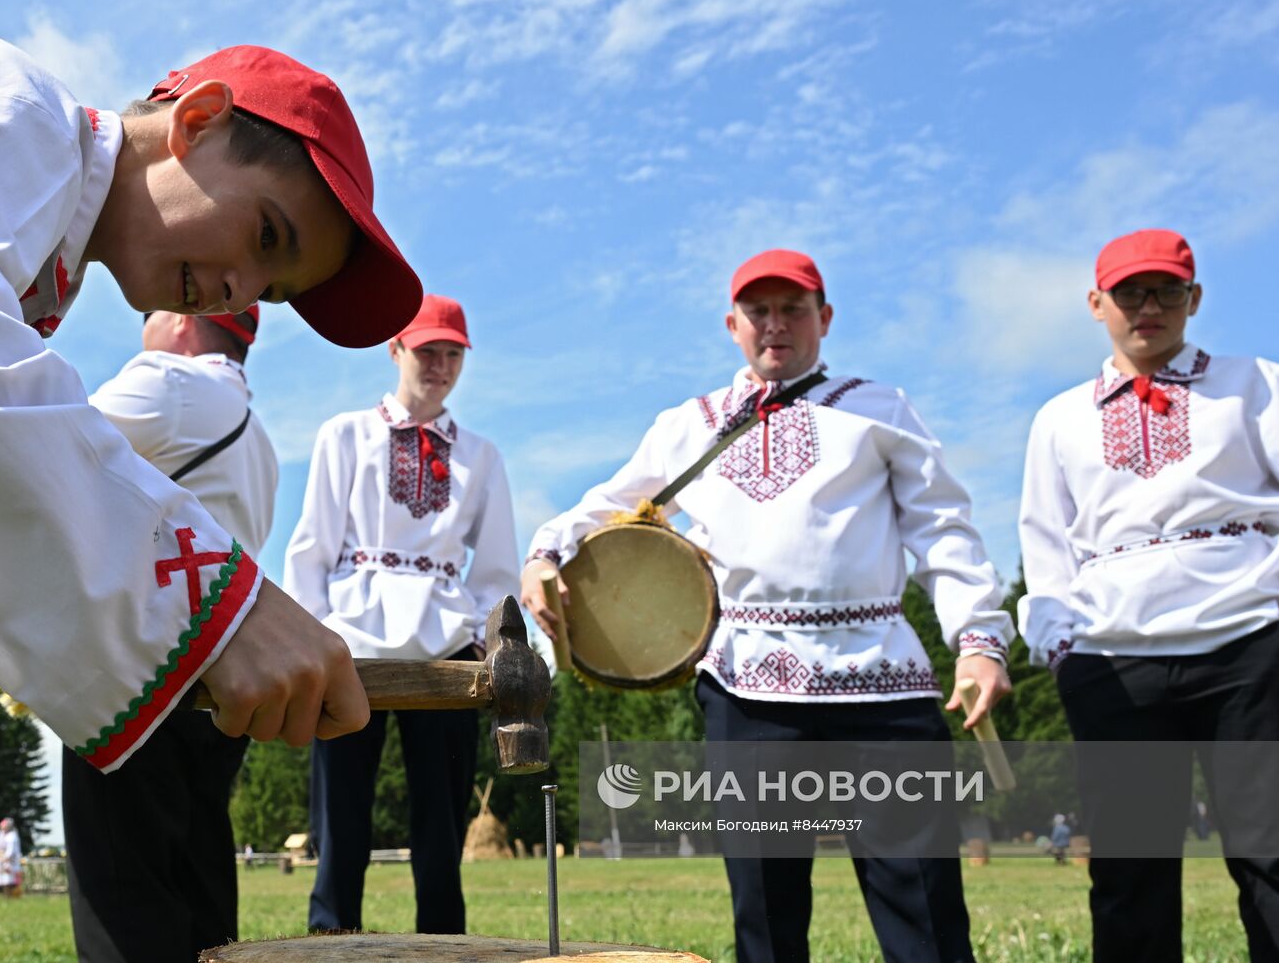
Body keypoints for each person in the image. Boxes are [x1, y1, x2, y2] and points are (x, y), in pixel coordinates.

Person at [522, 249, 1014, 963]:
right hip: (749, 686)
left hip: (879, 679)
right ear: (733, 324)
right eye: (759, 312)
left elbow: (943, 527)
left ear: (826, 318)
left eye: (794, 309)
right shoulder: (687, 425)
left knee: (924, 907)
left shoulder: (879, 408)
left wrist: (977, 639)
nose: (776, 325)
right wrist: (544, 553)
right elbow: (605, 507)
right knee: (765, 911)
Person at [0, 26, 425, 771]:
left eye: (269, 291)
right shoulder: (17, 118)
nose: (239, 290)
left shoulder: (44, 243)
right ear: (198, 119)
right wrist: (215, 602)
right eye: (266, 234)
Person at [1018, 228, 1279, 961]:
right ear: (1097, 302)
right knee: (1131, 871)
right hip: (1114, 655)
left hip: (1251, 639)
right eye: (1130, 292)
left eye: (1167, 290)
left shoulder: (1256, 382)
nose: (1149, 306)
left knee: (1270, 855)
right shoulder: (1060, 418)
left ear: (1194, 298)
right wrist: (1062, 648)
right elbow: (1046, 544)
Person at [285, 294, 519, 934]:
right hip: (351, 648)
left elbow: (497, 568)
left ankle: (444, 944)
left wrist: (478, 637)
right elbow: (311, 548)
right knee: (341, 818)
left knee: (441, 824)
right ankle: (330, 942)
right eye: (427, 350)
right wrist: (314, 637)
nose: (439, 364)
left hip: (444, 651)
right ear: (395, 349)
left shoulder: (481, 455)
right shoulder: (345, 434)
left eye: (452, 353)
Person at [62, 306, 278, 963]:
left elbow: (46, 442)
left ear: (186, 323)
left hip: (138, 664)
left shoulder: (173, 384)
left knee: (124, 890)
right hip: (224, 663)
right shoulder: (261, 441)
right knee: (199, 875)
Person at [0, 818, 20, 898]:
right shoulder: (1, 835)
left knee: (9, 880)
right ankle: (6, 896)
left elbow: (11, 850)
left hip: (9, 861)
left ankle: (11, 896)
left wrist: (5, 857)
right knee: (3, 880)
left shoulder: (12, 836)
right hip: (0, 860)